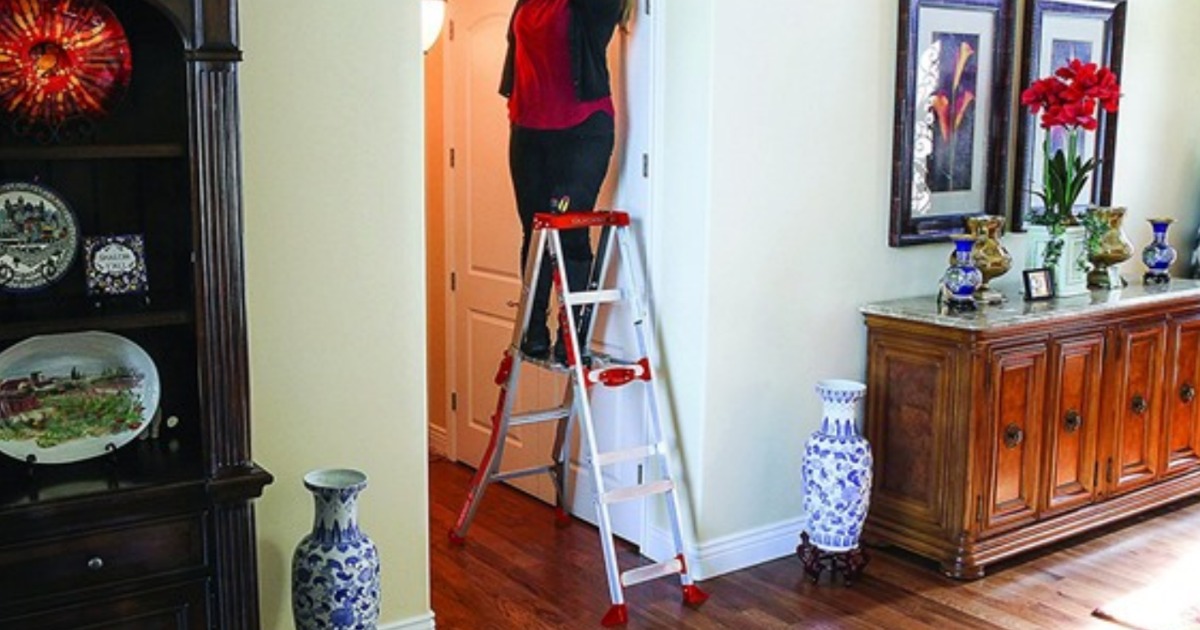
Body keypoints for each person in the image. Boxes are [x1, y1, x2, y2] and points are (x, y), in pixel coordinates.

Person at [501, 0, 631, 361]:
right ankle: (534, 330)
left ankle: (571, 335)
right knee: (535, 230)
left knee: (569, 228)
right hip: (528, 131)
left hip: (581, 130)